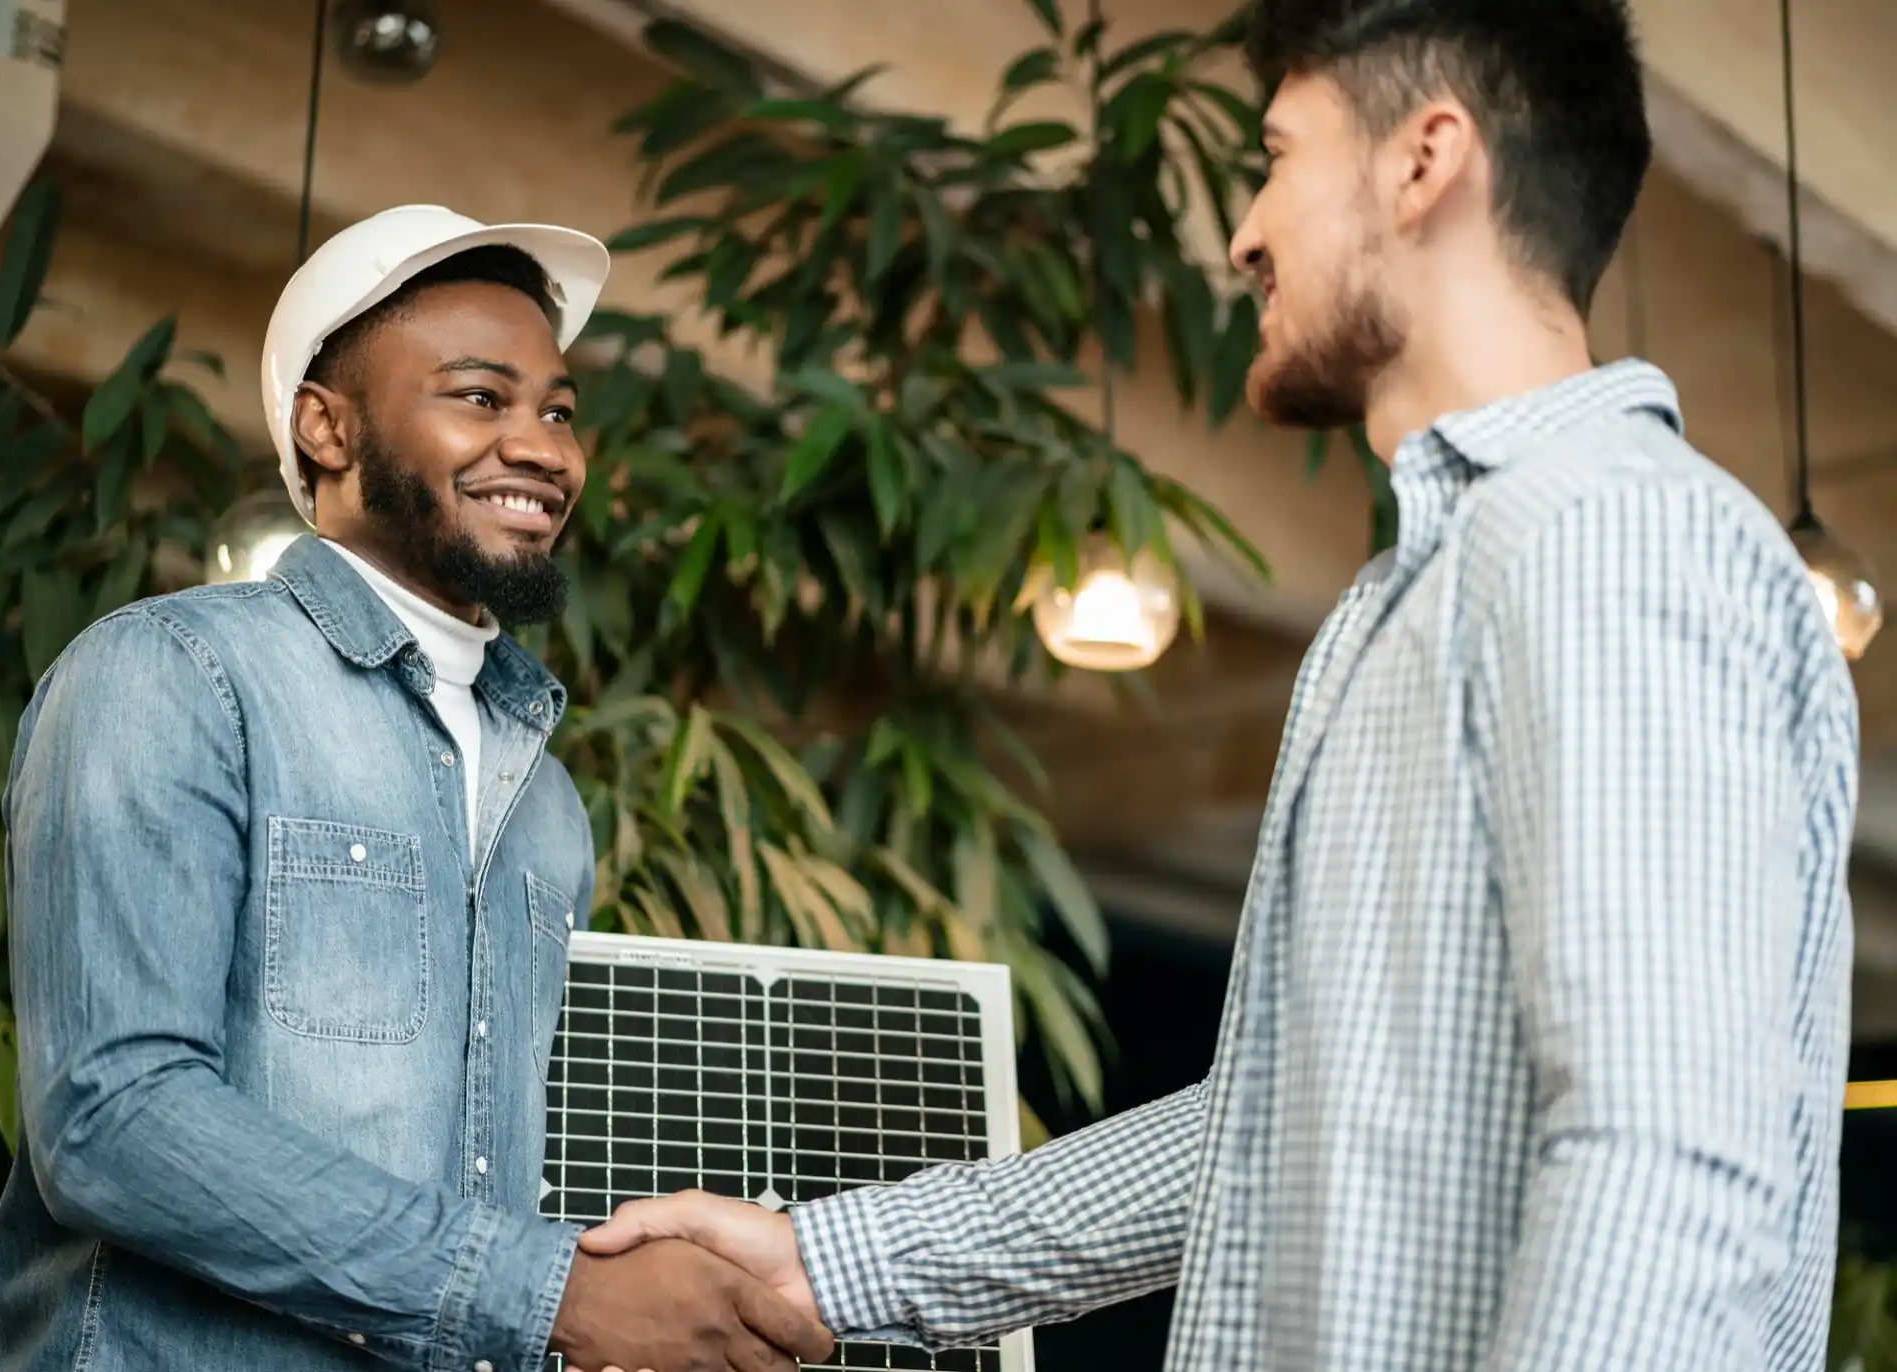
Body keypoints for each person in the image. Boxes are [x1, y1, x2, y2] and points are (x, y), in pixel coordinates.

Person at [571, 2, 1862, 1369]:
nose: (1243, 231)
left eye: (1278, 155)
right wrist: (840, 1263)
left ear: (1426, 162)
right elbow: (1272, 1124)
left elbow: (1664, 1171)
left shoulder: (1613, 536)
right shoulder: (1411, 598)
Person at [0, 205, 834, 1372]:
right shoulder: (174, 675)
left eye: (559, 411)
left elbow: (498, 1189)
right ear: (327, 429)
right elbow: (111, 1120)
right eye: (480, 397)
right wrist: (546, 1294)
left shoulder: (548, 807)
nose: (542, 446)